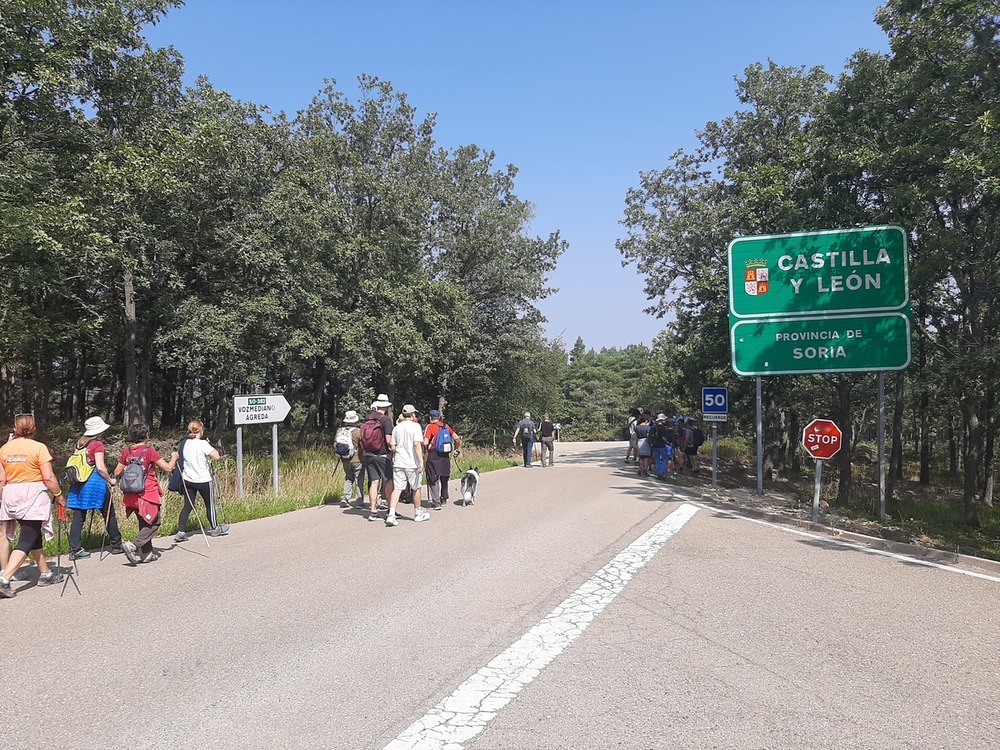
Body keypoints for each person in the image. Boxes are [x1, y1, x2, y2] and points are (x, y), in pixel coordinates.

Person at [0, 414, 64, 597]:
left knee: (32, 534)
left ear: (15, 428)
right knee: (27, 538)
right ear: (33, 428)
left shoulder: (5, 449)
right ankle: (5, 579)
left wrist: (2, 496)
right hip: (33, 495)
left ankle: (45, 573)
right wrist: (59, 495)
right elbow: (48, 477)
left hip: (11, 494)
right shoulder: (39, 448)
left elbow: (1, 478)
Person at [113, 422, 177, 565]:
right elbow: (167, 468)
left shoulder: (126, 452)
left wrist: (131, 471)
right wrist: (174, 458)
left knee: (144, 521)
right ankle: (133, 545)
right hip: (147, 492)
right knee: (154, 521)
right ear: (146, 435)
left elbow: (117, 472)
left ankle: (147, 554)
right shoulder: (149, 452)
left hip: (131, 494)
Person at [66, 416, 123, 558]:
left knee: (78, 516)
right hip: (94, 483)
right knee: (108, 513)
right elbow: (100, 467)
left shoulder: (78, 443)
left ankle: (75, 549)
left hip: (79, 482)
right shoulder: (97, 444)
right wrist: (111, 480)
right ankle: (116, 544)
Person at [175, 419, 223, 541]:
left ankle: (181, 531)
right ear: (200, 430)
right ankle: (215, 527)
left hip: (188, 479)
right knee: (209, 504)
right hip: (203, 479)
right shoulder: (202, 444)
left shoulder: (185, 443)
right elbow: (216, 456)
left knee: (188, 505)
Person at [385, 404, 427, 527]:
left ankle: (391, 514)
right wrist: (421, 461)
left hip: (399, 462)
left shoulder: (396, 428)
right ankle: (418, 513)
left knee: (397, 488)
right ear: (413, 414)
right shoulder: (416, 427)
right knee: (416, 487)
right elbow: (416, 445)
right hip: (412, 463)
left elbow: (393, 447)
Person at [361, 394, 394, 521]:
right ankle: (391, 509)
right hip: (382, 455)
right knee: (389, 481)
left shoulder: (368, 418)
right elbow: (388, 439)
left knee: (374, 482)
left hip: (368, 454)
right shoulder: (385, 420)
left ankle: (373, 510)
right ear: (386, 407)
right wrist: (393, 450)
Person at [423, 409, 458, 509]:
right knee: (444, 476)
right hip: (445, 454)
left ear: (430, 418)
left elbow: (425, 442)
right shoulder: (446, 426)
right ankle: (444, 498)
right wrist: (456, 448)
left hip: (434, 454)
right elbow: (456, 437)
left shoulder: (430, 427)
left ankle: (436, 501)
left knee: (433, 477)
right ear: (438, 417)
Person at [336, 410, 364, 508]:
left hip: (344, 459)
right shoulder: (358, 432)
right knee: (359, 479)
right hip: (357, 459)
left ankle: (345, 498)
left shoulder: (340, 431)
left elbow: (335, 445)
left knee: (348, 478)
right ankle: (359, 501)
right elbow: (362, 445)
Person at [648, 414, 670, 479]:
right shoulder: (662, 428)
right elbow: (665, 436)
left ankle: (658, 472)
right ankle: (660, 472)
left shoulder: (653, 427)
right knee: (665, 458)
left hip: (654, 445)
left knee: (657, 459)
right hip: (661, 445)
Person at [635, 412, 653, 477]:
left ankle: (640, 469)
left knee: (641, 457)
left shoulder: (637, 427)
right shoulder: (648, 427)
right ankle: (645, 470)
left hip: (639, 441)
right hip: (645, 442)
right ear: (646, 420)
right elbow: (649, 436)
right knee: (646, 457)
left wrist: (636, 444)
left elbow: (636, 436)